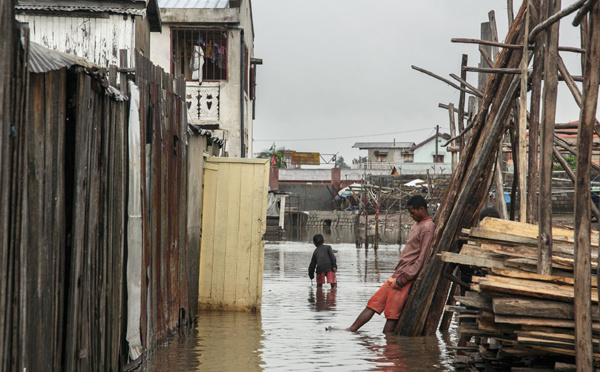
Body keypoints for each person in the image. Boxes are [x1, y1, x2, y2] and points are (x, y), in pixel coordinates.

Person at [349, 195, 435, 333]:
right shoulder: (417, 224)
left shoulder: (428, 227)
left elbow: (423, 257)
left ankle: (389, 344)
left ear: (422, 209)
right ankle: (351, 330)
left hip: (405, 276)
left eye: (413, 212)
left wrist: (405, 278)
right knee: (373, 304)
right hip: (398, 273)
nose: (411, 216)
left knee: (392, 315)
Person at [442, 206, 500, 348]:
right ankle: (461, 358)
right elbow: (446, 272)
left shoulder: (499, 244)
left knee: (486, 329)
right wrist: (466, 285)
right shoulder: (466, 244)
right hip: (470, 295)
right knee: (467, 331)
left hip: (491, 295)